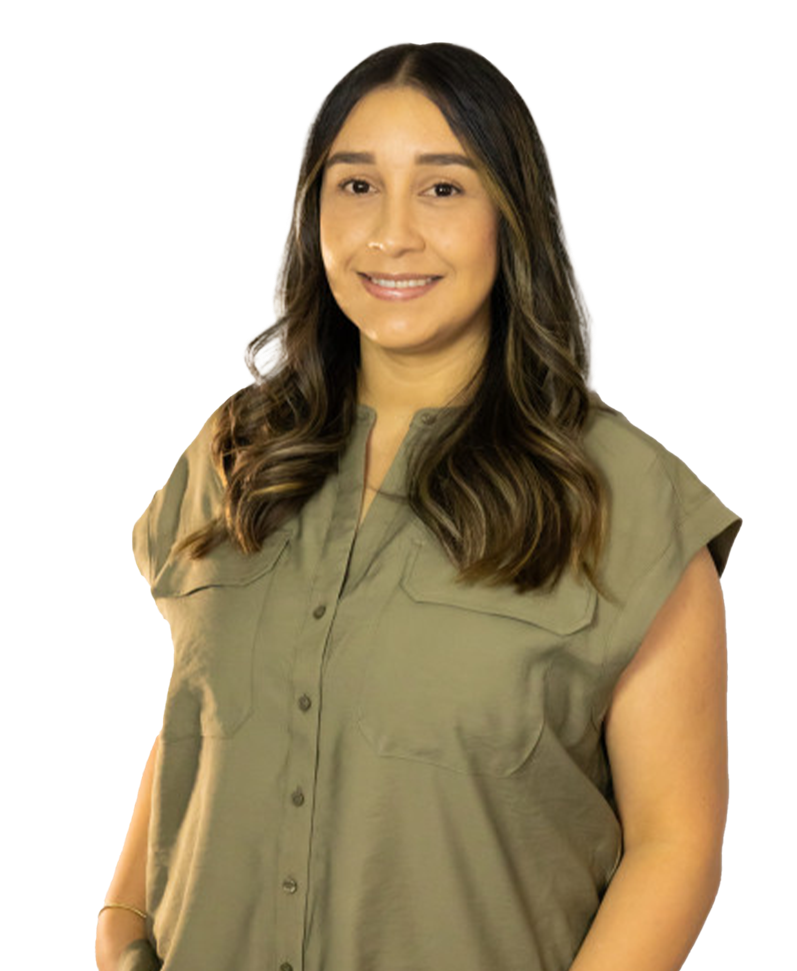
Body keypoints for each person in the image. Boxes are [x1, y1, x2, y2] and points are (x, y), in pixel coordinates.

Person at [96, 41, 742, 971]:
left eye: (443, 188)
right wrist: (122, 917)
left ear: (510, 217)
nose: (390, 235)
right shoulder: (235, 452)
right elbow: (196, 717)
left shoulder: (622, 501)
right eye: (355, 187)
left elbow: (674, 845)